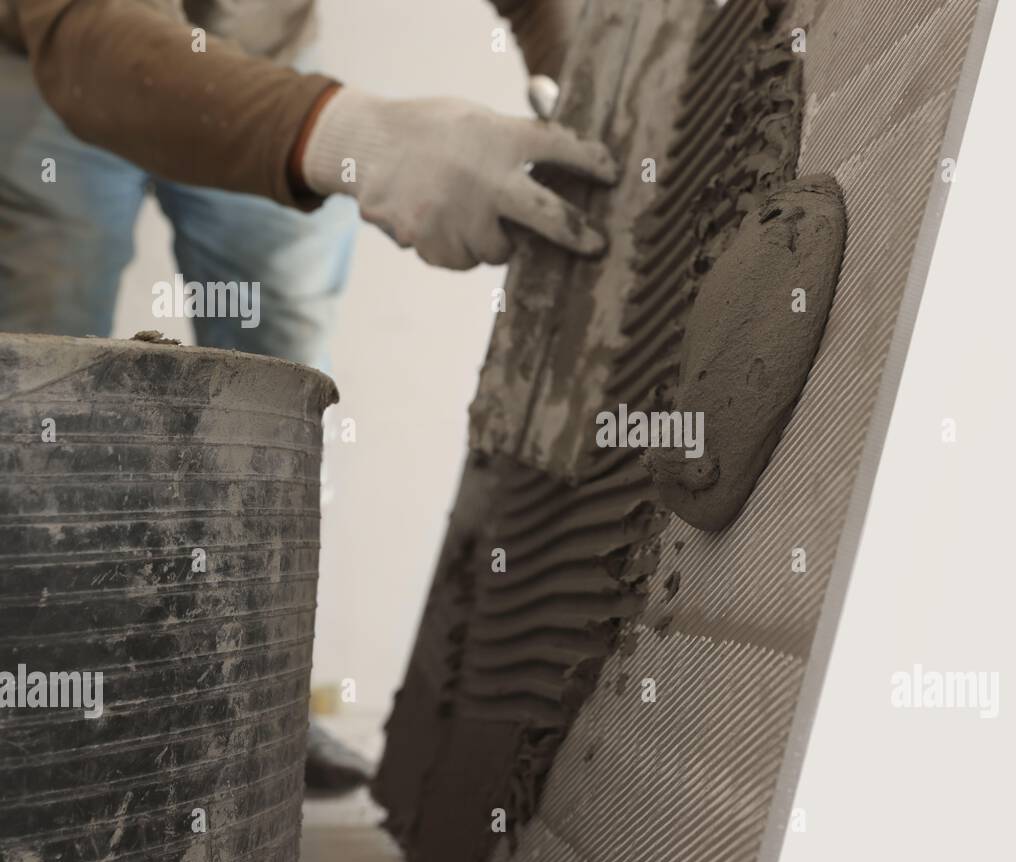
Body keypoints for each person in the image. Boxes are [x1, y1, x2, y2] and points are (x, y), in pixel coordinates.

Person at [0, 0, 614, 788]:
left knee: (279, 401)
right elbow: (91, 36)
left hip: (257, 57)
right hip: (56, 67)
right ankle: (37, 715)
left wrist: (577, 80)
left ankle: (262, 706)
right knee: (39, 391)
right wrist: (364, 140)